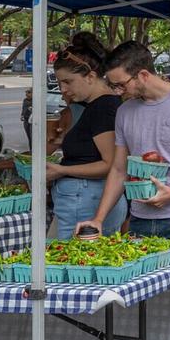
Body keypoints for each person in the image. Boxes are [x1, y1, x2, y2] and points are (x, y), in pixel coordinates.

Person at [77, 41, 170, 241]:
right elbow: (119, 169)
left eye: (121, 85)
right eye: (113, 86)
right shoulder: (124, 112)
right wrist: (98, 219)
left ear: (144, 75)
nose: (117, 92)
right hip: (140, 219)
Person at [45, 33, 125, 239]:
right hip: (85, 197)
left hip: (86, 198)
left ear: (90, 76)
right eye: (59, 82)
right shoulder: (97, 106)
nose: (63, 89)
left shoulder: (103, 107)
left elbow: (110, 164)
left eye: (68, 82)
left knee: (71, 264)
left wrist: (61, 170)